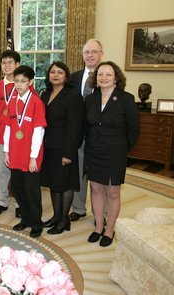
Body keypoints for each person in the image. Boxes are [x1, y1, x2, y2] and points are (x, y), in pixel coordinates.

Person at [85, 61, 139, 247]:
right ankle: (99, 226)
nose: (104, 78)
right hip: (94, 151)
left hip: (115, 151)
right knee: (96, 189)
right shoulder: (90, 99)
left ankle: (110, 229)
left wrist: (123, 149)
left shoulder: (126, 99)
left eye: (108, 74)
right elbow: (86, 126)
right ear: (95, 77)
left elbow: (133, 131)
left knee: (113, 191)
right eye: (100, 74)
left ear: (116, 77)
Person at [40, 62, 83, 234]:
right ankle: (57, 216)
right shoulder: (45, 94)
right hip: (48, 147)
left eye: (60, 72)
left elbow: (75, 127)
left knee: (64, 184)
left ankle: (64, 220)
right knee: (53, 183)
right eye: (52, 72)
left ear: (66, 75)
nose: (56, 75)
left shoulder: (73, 96)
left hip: (64, 148)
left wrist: (69, 152)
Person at [4, 65, 46, 238]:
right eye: (16, 81)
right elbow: (8, 127)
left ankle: (37, 222)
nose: (19, 85)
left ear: (30, 82)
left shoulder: (36, 102)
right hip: (15, 153)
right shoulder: (12, 101)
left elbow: (39, 131)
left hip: (30, 156)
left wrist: (33, 157)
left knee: (31, 190)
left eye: (23, 81)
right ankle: (26, 219)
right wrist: (6, 151)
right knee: (17, 187)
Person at [69, 39, 104, 222]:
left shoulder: (107, 76)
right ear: (82, 55)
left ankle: (102, 214)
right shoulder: (74, 77)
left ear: (101, 55)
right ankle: (79, 208)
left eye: (94, 51)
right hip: (79, 134)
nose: (90, 55)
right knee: (79, 172)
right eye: (87, 52)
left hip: (100, 136)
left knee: (99, 177)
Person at [0, 50, 20, 216]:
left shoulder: (23, 84)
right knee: (2, 170)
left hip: (18, 137)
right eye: (4, 63)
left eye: (10, 62)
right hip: (1, 135)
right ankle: (2, 201)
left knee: (17, 171)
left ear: (17, 65)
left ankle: (19, 203)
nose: (7, 66)